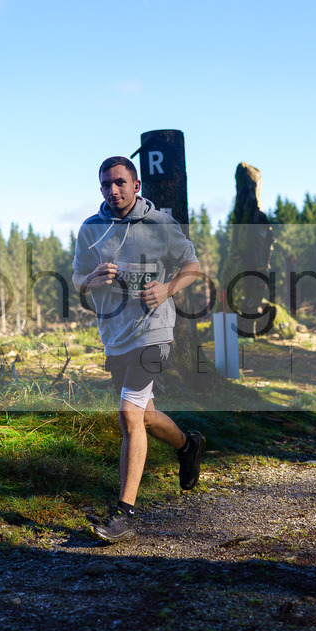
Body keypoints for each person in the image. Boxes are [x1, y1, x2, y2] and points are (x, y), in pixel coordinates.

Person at [72, 156, 205, 544]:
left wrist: (166, 289)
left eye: (119, 182)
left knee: (128, 414)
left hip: (154, 332)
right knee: (144, 417)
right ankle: (188, 445)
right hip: (115, 335)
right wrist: (91, 278)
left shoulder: (160, 225)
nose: (112, 190)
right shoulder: (91, 229)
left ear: (136, 185)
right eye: (105, 184)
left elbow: (192, 267)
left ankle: (123, 514)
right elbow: (77, 278)